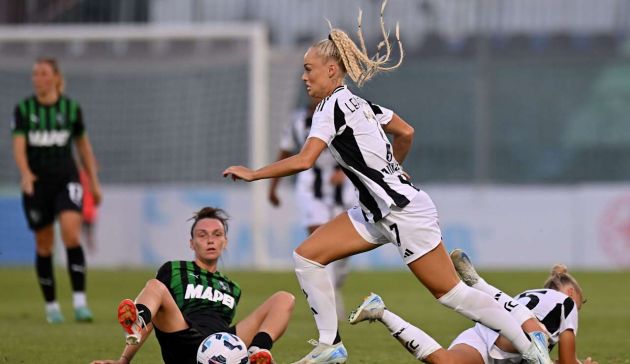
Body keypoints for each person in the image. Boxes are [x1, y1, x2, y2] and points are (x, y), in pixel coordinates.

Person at [223, 3, 551, 363]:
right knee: (307, 257)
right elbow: (406, 131)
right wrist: (396, 168)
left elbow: (304, 160)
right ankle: (330, 345)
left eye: (308, 69)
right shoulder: (361, 104)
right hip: (374, 212)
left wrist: (254, 174)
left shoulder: (329, 107)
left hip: (402, 213)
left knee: (452, 294)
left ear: (331, 70)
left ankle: (529, 346)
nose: (304, 77)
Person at [90, 207, 295, 364]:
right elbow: (158, 313)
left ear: (226, 241)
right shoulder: (174, 269)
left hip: (221, 344)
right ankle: (136, 322)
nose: (210, 240)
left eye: (217, 234)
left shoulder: (232, 287)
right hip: (183, 337)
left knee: (284, 298)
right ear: (192, 243)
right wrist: (124, 360)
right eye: (202, 235)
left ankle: (256, 352)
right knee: (155, 286)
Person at [348, 249, 598, 364]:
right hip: (513, 335)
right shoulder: (568, 304)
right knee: (535, 339)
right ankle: (478, 282)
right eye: (581, 301)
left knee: (445, 362)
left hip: (485, 332)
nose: (580, 308)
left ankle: (381, 312)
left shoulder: (533, 294)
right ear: (572, 291)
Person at [11, 57, 102, 324]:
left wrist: (94, 183)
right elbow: (18, 145)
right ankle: (51, 306)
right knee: (44, 243)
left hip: (67, 180)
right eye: (34, 74)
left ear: (54, 77)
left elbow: (83, 147)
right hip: (37, 184)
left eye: (42, 73)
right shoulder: (24, 109)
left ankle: (80, 303)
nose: (37, 78)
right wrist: (26, 174)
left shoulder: (71, 109)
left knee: (72, 234)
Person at [268, 95, 355, 318]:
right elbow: (286, 150)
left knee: (342, 251)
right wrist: (273, 186)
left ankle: (335, 285)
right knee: (319, 241)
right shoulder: (297, 121)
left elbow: (359, 148)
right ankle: (329, 304)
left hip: (343, 189)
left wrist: (345, 171)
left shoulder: (345, 113)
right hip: (311, 189)